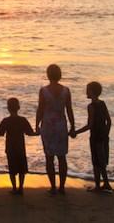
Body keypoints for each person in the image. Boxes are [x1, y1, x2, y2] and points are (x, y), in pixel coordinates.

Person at [34, 63, 75, 195]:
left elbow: (40, 109)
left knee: (49, 157)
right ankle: (62, 187)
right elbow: (69, 109)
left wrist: (36, 125)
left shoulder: (44, 90)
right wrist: (73, 126)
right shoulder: (66, 90)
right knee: (62, 157)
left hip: (48, 124)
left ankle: (53, 187)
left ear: (48, 75)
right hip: (61, 124)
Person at [72, 80, 113, 193]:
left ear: (92, 92)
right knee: (102, 161)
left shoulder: (91, 106)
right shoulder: (103, 104)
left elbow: (89, 125)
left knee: (96, 161)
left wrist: (76, 132)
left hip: (95, 137)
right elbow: (109, 121)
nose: (86, 92)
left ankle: (98, 186)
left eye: (87, 90)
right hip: (104, 137)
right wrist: (106, 134)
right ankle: (106, 183)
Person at [0, 97, 38, 194]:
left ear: (8, 108)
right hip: (20, 147)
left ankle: (14, 188)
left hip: (10, 147)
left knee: (12, 168)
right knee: (22, 169)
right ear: (18, 107)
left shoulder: (6, 120)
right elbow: (30, 133)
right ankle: (21, 188)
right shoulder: (23, 120)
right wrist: (39, 132)